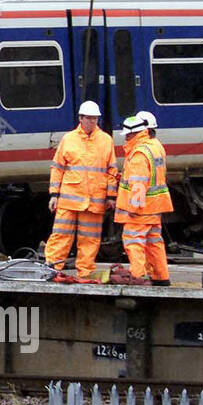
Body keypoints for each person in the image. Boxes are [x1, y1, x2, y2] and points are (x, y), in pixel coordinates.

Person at [45, 100, 118, 280]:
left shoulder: (106, 141)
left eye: (95, 119)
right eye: (89, 118)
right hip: (70, 200)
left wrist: (111, 196)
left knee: (90, 240)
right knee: (61, 236)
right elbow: (57, 167)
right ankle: (52, 268)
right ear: (81, 118)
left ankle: (85, 273)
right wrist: (54, 195)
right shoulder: (69, 139)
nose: (93, 122)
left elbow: (112, 171)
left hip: (94, 201)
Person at [115, 113, 173, 286]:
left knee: (134, 241)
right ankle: (161, 278)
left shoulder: (139, 153)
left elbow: (139, 184)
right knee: (154, 242)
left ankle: (137, 277)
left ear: (133, 134)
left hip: (141, 209)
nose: (125, 137)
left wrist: (133, 208)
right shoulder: (155, 147)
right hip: (155, 206)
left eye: (127, 134)